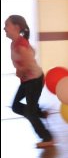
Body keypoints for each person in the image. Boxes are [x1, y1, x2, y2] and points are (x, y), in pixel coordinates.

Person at [4, 15, 54, 148]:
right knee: (16, 106)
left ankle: (47, 137)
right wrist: (20, 71)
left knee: (30, 112)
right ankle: (40, 113)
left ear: (16, 27)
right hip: (27, 81)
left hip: (34, 80)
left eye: (6, 25)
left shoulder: (21, 44)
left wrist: (20, 71)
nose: (4, 28)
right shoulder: (15, 43)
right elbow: (30, 55)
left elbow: (29, 62)